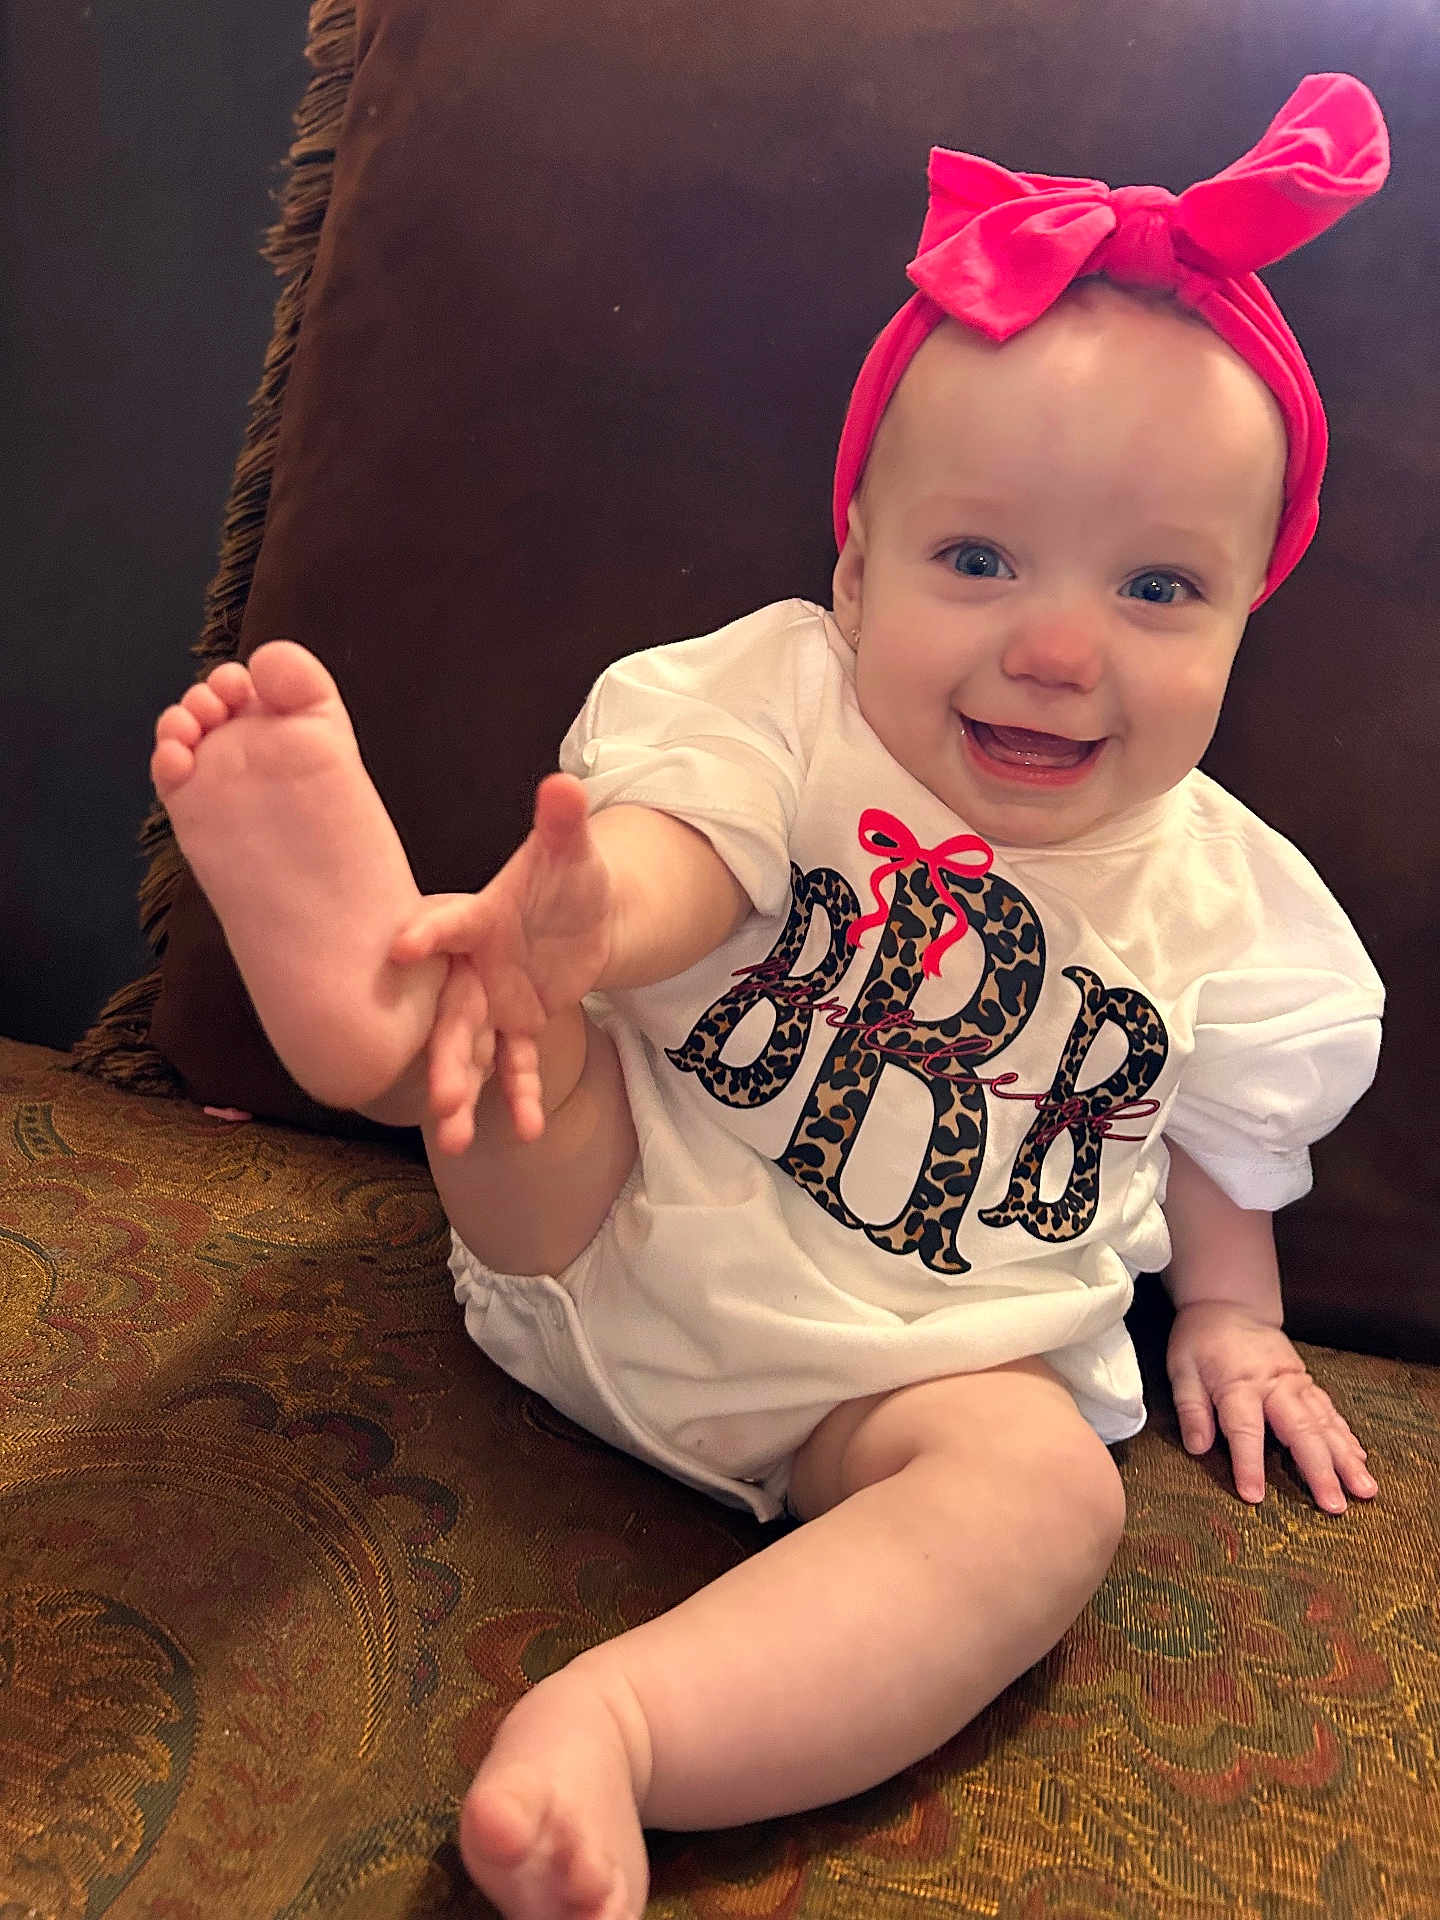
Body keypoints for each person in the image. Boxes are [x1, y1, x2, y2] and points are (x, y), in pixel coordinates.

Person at [149, 72, 1388, 1920]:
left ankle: (625, 1733)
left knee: (1053, 1503)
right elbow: (695, 855)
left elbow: (1223, 1130)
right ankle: (383, 998)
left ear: (1240, 625)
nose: (1056, 650)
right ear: (855, 565)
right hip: (608, 1229)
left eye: (1155, 588)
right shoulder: (787, 703)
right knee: (529, 1035)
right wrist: (578, 926)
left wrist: (1232, 1321)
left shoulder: (1237, 902)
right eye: (978, 561)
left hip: (901, 1400)